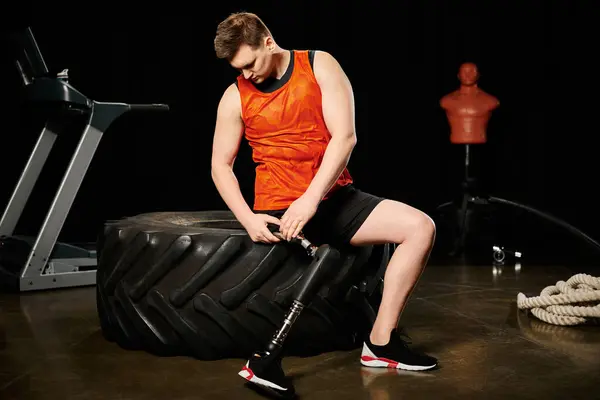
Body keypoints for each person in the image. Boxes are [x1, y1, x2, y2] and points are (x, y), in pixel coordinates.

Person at [211, 11, 438, 394]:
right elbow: (220, 165)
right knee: (322, 254)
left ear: (268, 42)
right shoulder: (235, 96)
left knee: (420, 227)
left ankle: (380, 344)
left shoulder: (319, 65)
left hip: (330, 196)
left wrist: (311, 199)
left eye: (250, 64)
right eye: (239, 69)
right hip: (281, 208)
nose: (247, 75)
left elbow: (345, 138)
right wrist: (248, 218)